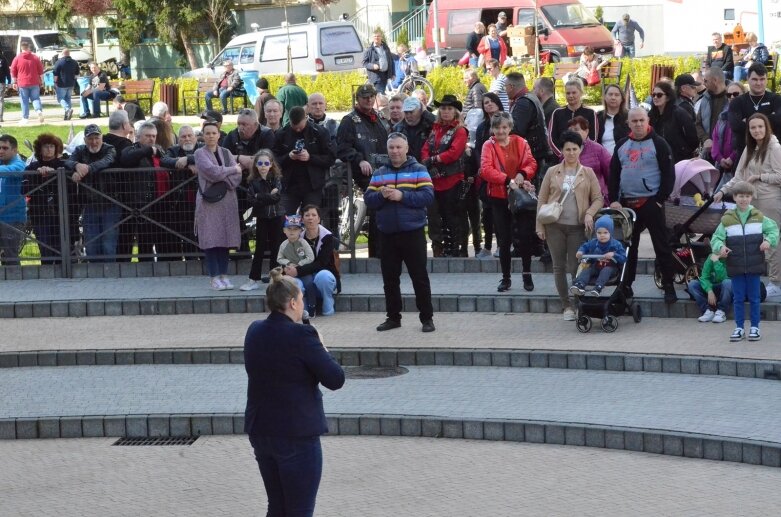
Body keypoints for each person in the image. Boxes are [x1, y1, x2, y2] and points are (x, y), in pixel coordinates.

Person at [243, 269, 344, 517]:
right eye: (301, 300)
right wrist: (320, 344)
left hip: (262, 430)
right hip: (296, 434)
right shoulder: (302, 335)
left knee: (276, 507)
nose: (302, 305)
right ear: (292, 303)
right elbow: (335, 378)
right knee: (300, 511)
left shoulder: (254, 330)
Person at [365, 133, 435, 332]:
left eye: (398, 147)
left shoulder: (419, 170)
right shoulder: (379, 173)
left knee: (419, 277)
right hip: (386, 234)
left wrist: (401, 196)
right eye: (391, 148)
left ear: (406, 149)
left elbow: (428, 196)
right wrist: (382, 195)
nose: (395, 151)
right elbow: (369, 198)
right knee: (389, 279)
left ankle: (427, 318)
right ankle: (393, 317)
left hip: (412, 232)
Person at [609, 107, 677, 303]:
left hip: (651, 202)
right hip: (627, 204)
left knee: (661, 246)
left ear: (648, 121)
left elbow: (669, 175)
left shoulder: (659, 144)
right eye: (634, 121)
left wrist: (658, 200)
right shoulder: (621, 145)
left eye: (641, 120)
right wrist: (614, 198)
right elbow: (613, 174)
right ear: (628, 123)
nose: (638, 124)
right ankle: (626, 285)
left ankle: (669, 285)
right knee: (629, 247)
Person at [535, 130, 603, 320]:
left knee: (575, 266)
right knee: (558, 266)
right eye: (567, 149)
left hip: (577, 227)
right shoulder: (552, 171)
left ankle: (577, 302)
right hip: (554, 225)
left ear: (580, 150)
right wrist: (539, 226)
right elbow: (542, 200)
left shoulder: (587, 173)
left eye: (574, 149)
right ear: (562, 151)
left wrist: (590, 213)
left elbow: (598, 198)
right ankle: (566, 305)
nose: (571, 153)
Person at [714, 112, 781, 298]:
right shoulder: (749, 149)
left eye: (760, 126)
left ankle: (776, 282)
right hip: (752, 203)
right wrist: (722, 191)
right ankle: (761, 280)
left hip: (770, 200)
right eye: (753, 127)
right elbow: (739, 177)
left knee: (773, 241)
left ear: (767, 128)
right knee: (755, 242)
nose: (757, 130)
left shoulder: (774, 148)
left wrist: (760, 176)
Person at [711, 180, 779, 341]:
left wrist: (769, 241)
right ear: (734, 197)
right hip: (736, 265)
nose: (744, 199)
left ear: (752, 197)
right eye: (741, 196)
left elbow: (774, 229)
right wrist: (720, 247)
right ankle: (739, 327)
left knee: (755, 298)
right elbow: (716, 238)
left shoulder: (758, 216)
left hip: (755, 265)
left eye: (747, 196)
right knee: (738, 298)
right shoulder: (727, 219)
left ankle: (755, 327)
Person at [480, 112, 538, 292]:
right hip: (499, 196)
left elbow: (531, 163)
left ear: (510, 128)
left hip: (520, 196)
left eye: (504, 127)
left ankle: (527, 275)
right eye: (497, 127)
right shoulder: (488, 145)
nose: (500, 131)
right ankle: (506, 278)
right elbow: (485, 170)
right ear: (492, 129)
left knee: (525, 236)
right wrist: (507, 181)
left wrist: (522, 174)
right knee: (504, 240)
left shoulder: (521, 142)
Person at [336, 83, 389, 258]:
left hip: (386, 170)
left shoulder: (380, 117)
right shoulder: (349, 121)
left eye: (371, 97)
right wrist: (359, 160)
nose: (368, 100)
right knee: (377, 210)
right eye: (364, 97)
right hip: (366, 175)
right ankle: (376, 255)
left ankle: (389, 253)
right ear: (357, 99)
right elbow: (342, 148)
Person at [194, 121, 243, 290]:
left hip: (227, 201)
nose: (210, 136)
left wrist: (227, 173)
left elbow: (238, 178)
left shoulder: (227, 152)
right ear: (203, 135)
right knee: (211, 240)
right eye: (207, 133)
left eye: (213, 133)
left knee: (224, 239)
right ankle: (214, 277)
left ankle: (224, 275)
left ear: (219, 134)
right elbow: (211, 172)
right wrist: (231, 170)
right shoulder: (200, 153)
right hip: (209, 202)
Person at [421, 94, 469, 257]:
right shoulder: (436, 129)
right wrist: (427, 160)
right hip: (434, 179)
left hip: (452, 179)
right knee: (435, 214)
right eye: (443, 108)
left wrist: (433, 159)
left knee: (452, 215)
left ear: (455, 111)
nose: (446, 112)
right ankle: (439, 247)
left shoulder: (460, 130)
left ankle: (454, 247)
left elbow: (454, 153)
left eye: (449, 108)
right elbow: (425, 147)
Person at [64, 125, 118, 261]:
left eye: (97, 138)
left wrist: (86, 169)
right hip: (89, 203)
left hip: (110, 202)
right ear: (85, 139)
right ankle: (93, 274)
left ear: (102, 138)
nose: (94, 142)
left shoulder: (109, 149)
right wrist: (76, 166)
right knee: (91, 242)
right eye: (90, 138)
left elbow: (107, 161)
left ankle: (110, 273)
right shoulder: (80, 150)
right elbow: (68, 161)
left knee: (108, 242)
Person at [274, 106, 335, 215]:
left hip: (312, 186)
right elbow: (274, 160)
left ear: (306, 118)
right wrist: (288, 157)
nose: (297, 130)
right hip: (289, 186)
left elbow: (330, 158)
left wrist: (310, 158)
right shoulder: (281, 134)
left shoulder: (320, 133)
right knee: (284, 219)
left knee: (311, 219)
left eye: (300, 127)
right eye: (294, 127)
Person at [283, 204, 340, 316]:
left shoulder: (328, 237)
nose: (310, 218)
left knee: (323, 276)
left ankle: (328, 304)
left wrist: (298, 271)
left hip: (323, 278)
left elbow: (322, 263)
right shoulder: (296, 238)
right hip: (304, 279)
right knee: (294, 283)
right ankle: (302, 310)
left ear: (319, 219)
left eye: (314, 215)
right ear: (302, 219)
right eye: (307, 215)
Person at [24, 134, 68, 262]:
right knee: (45, 250)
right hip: (39, 214)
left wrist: (53, 175)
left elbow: (70, 188)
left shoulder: (64, 165)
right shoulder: (31, 168)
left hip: (62, 214)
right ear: (39, 149)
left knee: (62, 250)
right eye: (45, 146)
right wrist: (39, 176)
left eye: (52, 146)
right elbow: (24, 190)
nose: (49, 149)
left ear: (56, 148)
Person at [161, 125, 202, 258]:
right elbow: (164, 160)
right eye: (184, 137)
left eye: (190, 136)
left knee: (201, 233)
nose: (187, 139)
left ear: (195, 138)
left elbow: (210, 158)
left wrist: (188, 159)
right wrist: (186, 162)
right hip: (180, 201)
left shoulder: (202, 148)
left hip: (202, 199)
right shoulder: (173, 150)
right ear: (178, 140)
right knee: (184, 232)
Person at [473, 93, 504, 260]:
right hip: (486, 174)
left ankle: (501, 245)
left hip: (502, 174)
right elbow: (478, 149)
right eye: (486, 103)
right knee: (487, 211)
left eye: (492, 102)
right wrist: (482, 167)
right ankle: (487, 246)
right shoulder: (482, 127)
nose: (489, 105)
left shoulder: (505, 124)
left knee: (500, 211)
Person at [728, 63, 781, 156]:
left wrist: (747, 120)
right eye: (754, 79)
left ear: (766, 79)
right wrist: (770, 119)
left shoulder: (776, 99)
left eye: (762, 79)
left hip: (772, 155)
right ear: (748, 79)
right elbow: (736, 126)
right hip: (745, 154)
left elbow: (779, 120)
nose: (759, 83)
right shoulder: (737, 102)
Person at [570, 214, 625, 296]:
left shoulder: (616, 244)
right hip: (596, 266)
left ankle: (598, 287)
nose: (602, 235)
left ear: (611, 233)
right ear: (596, 233)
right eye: (599, 233)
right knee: (587, 269)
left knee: (606, 270)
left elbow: (623, 258)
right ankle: (580, 285)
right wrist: (580, 252)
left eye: (605, 233)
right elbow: (585, 246)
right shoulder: (593, 242)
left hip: (611, 268)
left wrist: (614, 254)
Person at [649, 80, 698, 163]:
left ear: (668, 97)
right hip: (657, 159)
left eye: (659, 95)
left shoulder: (679, 113)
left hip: (678, 160)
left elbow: (693, 138)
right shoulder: (651, 115)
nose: (655, 97)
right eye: (653, 95)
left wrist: (684, 151)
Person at [548, 79, 598, 158]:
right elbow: (551, 139)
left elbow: (593, 138)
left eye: (574, 92)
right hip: (561, 159)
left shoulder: (590, 113)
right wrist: (562, 155)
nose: (571, 96)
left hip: (584, 160)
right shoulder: (557, 113)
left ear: (581, 93)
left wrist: (581, 156)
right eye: (568, 93)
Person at [566, 117, 611, 202]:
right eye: (570, 131)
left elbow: (610, 173)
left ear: (586, 131)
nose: (573, 133)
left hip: (597, 198)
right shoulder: (565, 152)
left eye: (576, 130)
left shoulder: (598, 149)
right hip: (573, 200)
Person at [0, 135, 27, 265]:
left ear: (15, 150)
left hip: (13, 219)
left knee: (10, 256)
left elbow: (9, 170)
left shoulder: (20, 165)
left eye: (5, 148)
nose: (1, 151)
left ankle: (15, 281)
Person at [711, 82, 744, 180]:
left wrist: (732, 158)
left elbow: (745, 141)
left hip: (739, 164)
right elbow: (715, 138)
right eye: (729, 95)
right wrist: (719, 158)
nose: (732, 97)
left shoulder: (748, 114)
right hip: (721, 165)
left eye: (736, 94)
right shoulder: (723, 115)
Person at [687, 252, 732, 324]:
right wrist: (709, 290)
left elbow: (723, 277)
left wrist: (716, 261)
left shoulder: (731, 258)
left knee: (728, 283)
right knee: (692, 284)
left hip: (724, 288)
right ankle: (707, 311)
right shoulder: (711, 256)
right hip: (711, 287)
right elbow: (704, 277)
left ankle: (721, 311)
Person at [276, 215, 315, 295]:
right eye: (289, 228)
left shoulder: (303, 243)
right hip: (289, 271)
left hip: (304, 271)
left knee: (310, 284)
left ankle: (312, 305)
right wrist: (288, 263)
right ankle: (294, 305)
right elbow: (279, 258)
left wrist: (300, 264)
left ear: (300, 230)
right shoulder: (283, 245)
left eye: (295, 229)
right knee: (290, 288)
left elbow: (311, 257)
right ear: (284, 230)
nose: (292, 231)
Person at [696, 66, 728, 156]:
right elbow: (697, 123)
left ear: (715, 80)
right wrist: (706, 139)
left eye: (706, 80)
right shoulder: (705, 99)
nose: (703, 83)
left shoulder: (732, 97)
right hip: (708, 153)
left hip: (726, 154)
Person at [10, 41, 45, 124]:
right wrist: (42, 81)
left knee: (24, 100)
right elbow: (41, 70)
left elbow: (13, 70)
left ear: (21, 48)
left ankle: (25, 118)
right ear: (28, 47)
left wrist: (14, 82)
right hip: (34, 82)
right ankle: (39, 111)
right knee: (35, 98)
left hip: (22, 83)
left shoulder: (17, 58)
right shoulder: (35, 57)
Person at [597, 84, 629, 155]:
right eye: (610, 94)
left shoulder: (630, 117)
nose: (613, 97)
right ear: (605, 97)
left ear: (622, 99)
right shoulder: (597, 118)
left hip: (626, 159)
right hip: (603, 161)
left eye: (617, 95)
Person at [52, 49, 79, 121]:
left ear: (62, 54)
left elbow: (55, 74)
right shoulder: (74, 62)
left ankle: (67, 109)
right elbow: (77, 74)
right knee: (68, 98)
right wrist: (74, 81)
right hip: (71, 83)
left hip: (61, 83)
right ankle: (67, 116)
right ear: (69, 54)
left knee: (60, 98)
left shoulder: (59, 62)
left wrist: (54, 82)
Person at [0, 51, 10, 122]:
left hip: (2, 82)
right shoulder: (3, 59)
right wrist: (9, 81)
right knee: (1, 100)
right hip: (1, 81)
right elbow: (7, 71)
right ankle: (0, 117)